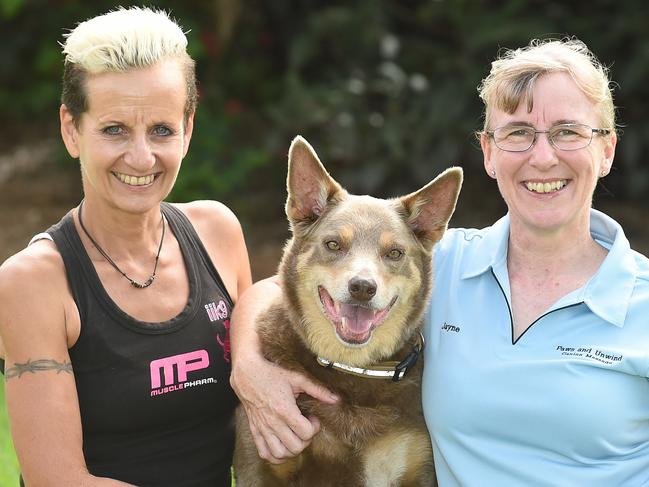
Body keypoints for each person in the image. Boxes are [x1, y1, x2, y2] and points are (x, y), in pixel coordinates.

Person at [229, 38, 649, 485]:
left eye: (568, 131)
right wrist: (250, 366)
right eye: (518, 133)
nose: (542, 157)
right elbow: (276, 289)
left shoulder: (641, 302)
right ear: (489, 152)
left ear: (606, 150)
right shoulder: (440, 267)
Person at [0, 7, 252, 486]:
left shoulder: (217, 233)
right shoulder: (33, 283)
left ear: (189, 130)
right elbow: (57, 481)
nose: (141, 157)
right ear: (71, 129)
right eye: (114, 129)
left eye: (162, 129)